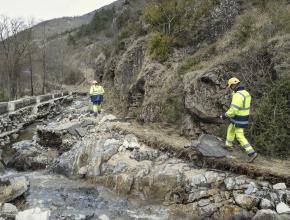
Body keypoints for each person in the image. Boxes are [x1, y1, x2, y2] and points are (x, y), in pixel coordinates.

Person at [220, 77, 258, 163]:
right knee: (231, 128)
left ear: (233, 85)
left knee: (239, 135)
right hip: (241, 116)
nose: (230, 88)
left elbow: (234, 109)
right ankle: (228, 145)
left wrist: (224, 115)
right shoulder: (245, 93)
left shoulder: (238, 95)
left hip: (239, 117)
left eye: (230, 86)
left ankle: (252, 153)